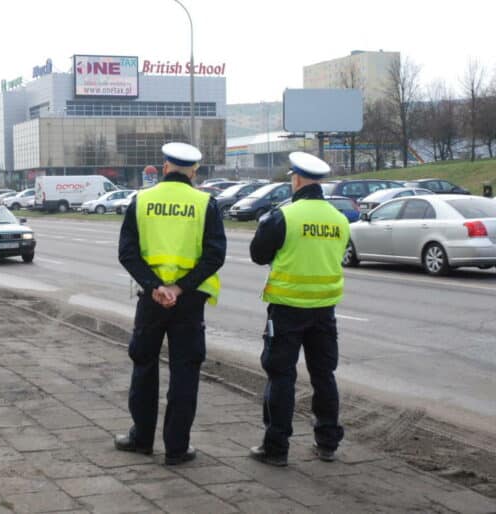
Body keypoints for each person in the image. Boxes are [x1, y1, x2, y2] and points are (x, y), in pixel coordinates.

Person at [115, 142, 226, 465]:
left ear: (165, 167)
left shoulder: (142, 200)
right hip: (189, 302)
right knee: (185, 372)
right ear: (194, 171)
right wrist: (179, 288)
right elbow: (214, 254)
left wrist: (154, 287)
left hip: (151, 302)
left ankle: (142, 438)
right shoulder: (206, 203)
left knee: (144, 365)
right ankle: (177, 449)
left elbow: (127, 252)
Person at [248, 151, 350, 467]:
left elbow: (258, 254)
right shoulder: (339, 219)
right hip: (324, 310)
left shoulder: (284, 216)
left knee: (281, 377)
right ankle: (327, 443)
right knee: (324, 375)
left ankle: (276, 448)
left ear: (296, 179)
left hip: (287, 309)